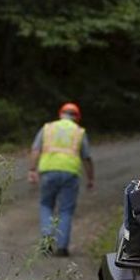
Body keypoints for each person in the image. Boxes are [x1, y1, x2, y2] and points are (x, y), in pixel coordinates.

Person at [28, 102, 95, 257]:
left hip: (48, 171)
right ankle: (62, 248)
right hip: (70, 173)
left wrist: (32, 169)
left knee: (46, 205)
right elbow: (87, 157)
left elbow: (35, 149)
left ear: (60, 114)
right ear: (77, 118)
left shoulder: (48, 128)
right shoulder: (79, 132)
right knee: (65, 210)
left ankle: (46, 244)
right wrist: (90, 178)